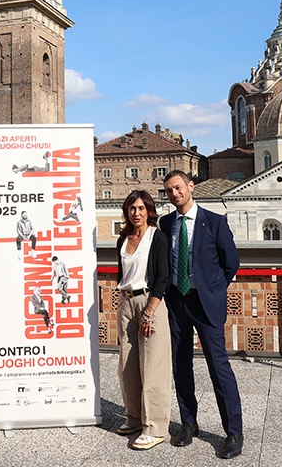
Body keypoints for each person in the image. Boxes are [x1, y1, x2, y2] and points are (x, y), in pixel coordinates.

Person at [160, 170, 243, 460]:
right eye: (169, 190)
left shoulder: (215, 222)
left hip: (205, 303)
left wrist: (214, 290)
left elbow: (231, 263)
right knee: (181, 365)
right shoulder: (166, 223)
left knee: (218, 368)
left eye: (178, 188)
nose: (174, 194)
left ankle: (233, 432)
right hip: (177, 301)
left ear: (190, 186)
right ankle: (188, 424)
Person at [115, 190, 171, 451]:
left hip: (150, 302)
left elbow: (163, 276)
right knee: (127, 366)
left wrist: (149, 311)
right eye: (131, 208)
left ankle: (155, 427)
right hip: (126, 302)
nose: (136, 213)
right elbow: (122, 274)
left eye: (140, 208)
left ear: (149, 210)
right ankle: (135, 418)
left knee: (153, 367)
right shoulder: (123, 239)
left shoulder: (156, 237)